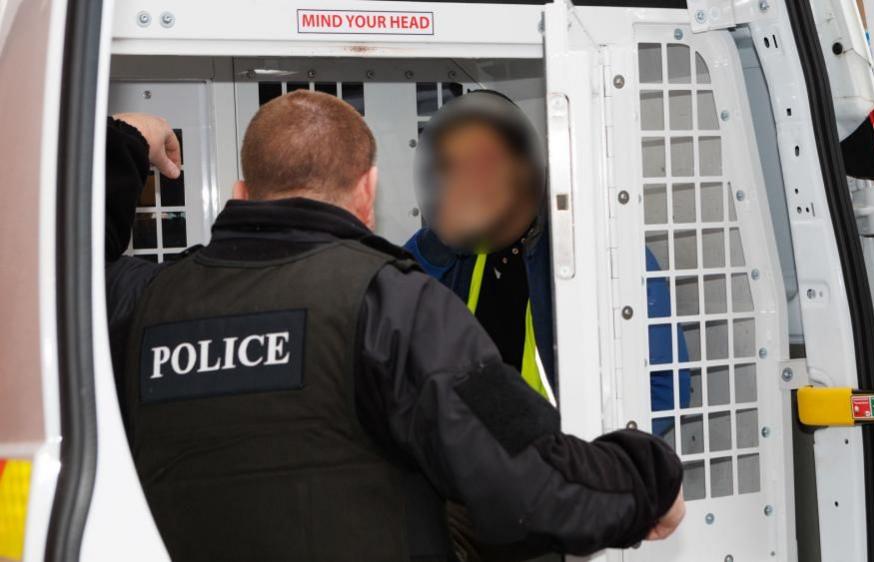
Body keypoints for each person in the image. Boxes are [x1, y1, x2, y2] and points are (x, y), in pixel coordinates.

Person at [104, 91, 685, 562]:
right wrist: (645, 478)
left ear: (238, 193)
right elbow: (526, 480)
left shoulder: (146, 297)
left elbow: (47, 277)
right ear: (368, 193)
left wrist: (120, 145)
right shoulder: (391, 303)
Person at [404, 91, 690, 429]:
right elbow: (387, 316)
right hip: (473, 469)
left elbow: (665, 390)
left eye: (484, 163)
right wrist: (439, 244)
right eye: (454, 167)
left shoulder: (597, 248)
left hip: (561, 469)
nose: (469, 181)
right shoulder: (450, 251)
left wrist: (587, 466)